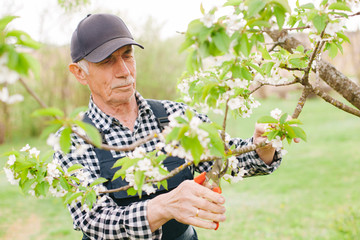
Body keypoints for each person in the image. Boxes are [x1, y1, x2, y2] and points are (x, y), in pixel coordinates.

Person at [56, 13, 282, 240]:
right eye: (107, 61)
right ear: (79, 73)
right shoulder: (73, 139)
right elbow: (93, 220)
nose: (124, 71)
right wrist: (164, 206)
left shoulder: (177, 117)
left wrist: (262, 148)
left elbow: (226, 156)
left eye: (128, 55)